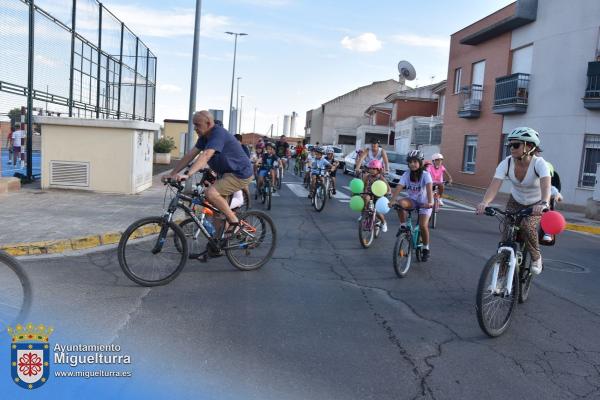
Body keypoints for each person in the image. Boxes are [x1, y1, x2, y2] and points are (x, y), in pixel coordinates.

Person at [164, 110, 253, 238]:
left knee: (210, 193)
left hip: (240, 173)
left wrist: (187, 175)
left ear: (209, 123)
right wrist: (173, 173)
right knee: (217, 211)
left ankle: (235, 222)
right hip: (226, 174)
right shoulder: (204, 137)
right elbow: (190, 155)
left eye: (197, 125)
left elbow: (206, 155)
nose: (195, 128)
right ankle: (220, 242)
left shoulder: (218, 134)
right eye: (194, 125)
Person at [475, 127, 551, 275]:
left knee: (528, 226)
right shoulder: (507, 163)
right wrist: (485, 202)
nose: (511, 148)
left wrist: (544, 202)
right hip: (515, 201)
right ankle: (501, 277)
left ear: (529, 146)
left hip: (535, 204)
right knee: (506, 236)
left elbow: (546, 184)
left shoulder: (539, 163)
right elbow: (495, 184)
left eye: (516, 145)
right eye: (510, 145)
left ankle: (536, 257)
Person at [389, 150, 434, 261]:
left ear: (420, 162)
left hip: (424, 203)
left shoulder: (425, 175)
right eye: (410, 162)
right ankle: (403, 226)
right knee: (400, 204)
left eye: (415, 161)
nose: (412, 164)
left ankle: (425, 248)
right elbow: (399, 187)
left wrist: (430, 202)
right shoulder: (406, 174)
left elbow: (429, 189)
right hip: (412, 200)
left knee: (423, 226)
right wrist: (392, 200)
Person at [361, 159, 390, 233]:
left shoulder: (381, 178)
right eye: (370, 168)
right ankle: (365, 215)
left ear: (378, 170)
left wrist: (388, 192)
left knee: (377, 211)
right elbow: (362, 185)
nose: (372, 170)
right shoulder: (367, 176)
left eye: (374, 169)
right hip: (369, 194)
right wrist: (361, 192)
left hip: (378, 196)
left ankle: (383, 222)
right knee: (365, 199)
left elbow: (388, 188)